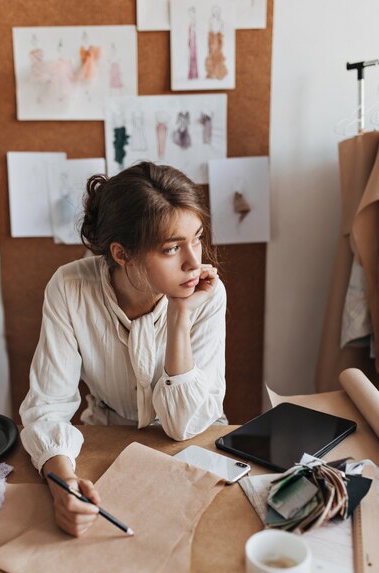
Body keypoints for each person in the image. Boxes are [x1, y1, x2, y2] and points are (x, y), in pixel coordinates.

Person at [20, 161, 227, 537]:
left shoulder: (206, 295)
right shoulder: (70, 288)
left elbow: (183, 427)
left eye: (196, 238)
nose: (194, 262)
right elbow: (47, 406)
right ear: (121, 254)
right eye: (171, 248)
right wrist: (63, 484)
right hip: (106, 440)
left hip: (194, 440)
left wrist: (180, 317)